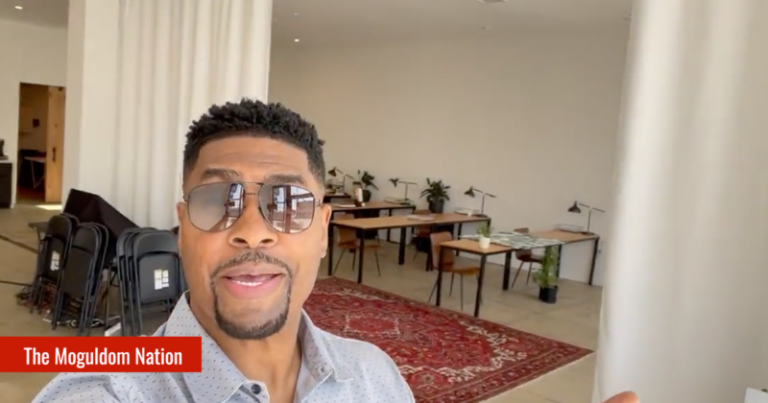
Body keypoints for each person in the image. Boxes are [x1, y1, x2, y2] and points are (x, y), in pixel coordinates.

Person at [32, 100, 639, 403]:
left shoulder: (373, 376)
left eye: (288, 202)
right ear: (183, 228)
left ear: (323, 230)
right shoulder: (104, 391)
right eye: (219, 199)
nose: (254, 231)